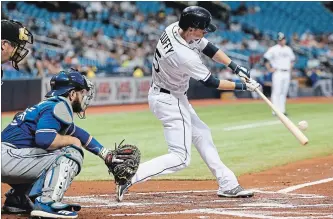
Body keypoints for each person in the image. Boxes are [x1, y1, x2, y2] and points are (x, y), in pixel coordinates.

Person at [116, 6, 260, 202]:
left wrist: (235, 66)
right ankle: (129, 176)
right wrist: (243, 86)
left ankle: (227, 183)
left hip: (169, 95)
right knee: (180, 158)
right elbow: (211, 82)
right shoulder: (183, 55)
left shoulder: (176, 28)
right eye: (203, 28)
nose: (206, 31)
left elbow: (207, 47)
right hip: (169, 100)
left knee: (202, 134)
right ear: (192, 28)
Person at [1, 69, 137, 218]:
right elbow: (45, 139)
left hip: (9, 157)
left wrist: (105, 155)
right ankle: (47, 202)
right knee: (71, 151)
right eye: (82, 92)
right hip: (8, 158)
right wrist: (72, 141)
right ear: (72, 94)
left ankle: (18, 199)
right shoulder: (59, 106)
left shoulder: (49, 105)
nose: (84, 97)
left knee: (58, 150)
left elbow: (79, 133)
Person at [263, 32, 296, 116]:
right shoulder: (274, 49)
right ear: (277, 40)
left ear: (285, 39)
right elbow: (265, 59)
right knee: (276, 92)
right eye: (280, 40)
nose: (281, 41)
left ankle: (282, 110)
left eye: (283, 39)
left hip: (286, 72)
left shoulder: (288, 49)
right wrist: (269, 68)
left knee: (283, 92)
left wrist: (290, 69)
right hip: (278, 72)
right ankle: (275, 111)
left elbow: (292, 60)